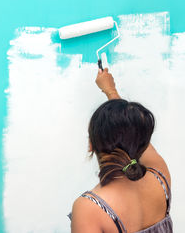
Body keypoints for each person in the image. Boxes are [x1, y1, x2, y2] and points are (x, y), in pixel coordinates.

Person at [68, 68, 173, 233]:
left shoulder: (89, 208)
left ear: (91, 145)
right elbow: (133, 131)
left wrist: (110, 91)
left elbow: (133, 133)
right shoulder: (160, 178)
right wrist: (111, 91)